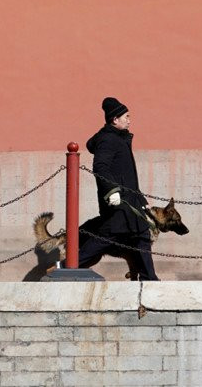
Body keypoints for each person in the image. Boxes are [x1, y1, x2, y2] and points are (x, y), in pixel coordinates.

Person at [78, 96, 159, 280]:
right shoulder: (108, 140)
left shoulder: (119, 138)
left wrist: (141, 200)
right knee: (105, 239)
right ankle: (68, 267)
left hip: (131, 201)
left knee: (142, 238)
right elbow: (100, 167)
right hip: (118, 203)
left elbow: (128, 177)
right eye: (126, 116)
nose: (129, 120)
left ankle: (149, 280)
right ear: (115, 119)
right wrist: (111, 191)